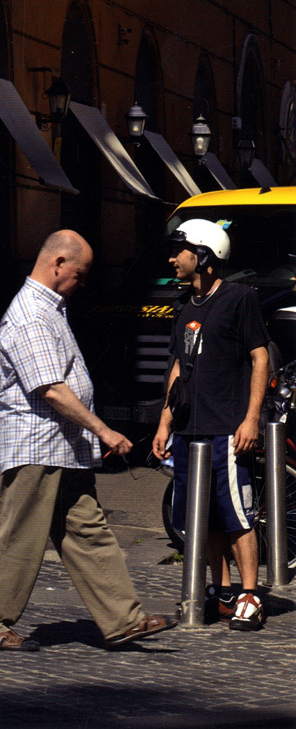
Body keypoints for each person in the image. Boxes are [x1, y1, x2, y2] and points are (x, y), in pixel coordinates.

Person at [0, 230, 172, 651]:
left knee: (88, 531)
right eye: (81, 273)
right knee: (21, 536)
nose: (84, 281)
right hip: (38, 445)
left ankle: (123, 619)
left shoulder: (51, 309)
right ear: (58, 263)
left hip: (63, 447)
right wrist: (104, 430)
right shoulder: (30, 314)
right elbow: (51, 389)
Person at [153, 218, 270, 632]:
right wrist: (164, 423)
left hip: (227, 429)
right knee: (200, 519)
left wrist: (251, 419)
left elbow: (260, 357)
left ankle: (250, 595)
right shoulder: (183, 307)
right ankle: (222, 593)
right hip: (189, 430)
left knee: (236, 516)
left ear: (202, 256)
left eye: (178, 250)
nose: (172, 258)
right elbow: (178, 369)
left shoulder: (239, 299)